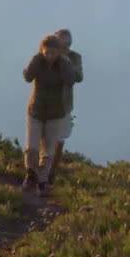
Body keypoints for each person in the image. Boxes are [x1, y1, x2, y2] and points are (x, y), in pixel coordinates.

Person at [22, 34, 76, 196]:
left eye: (53, 53)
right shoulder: (38, 61)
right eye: (47, 53)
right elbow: (27, 77)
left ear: (59, 52)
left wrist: (65, 63)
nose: (50, 56)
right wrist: (35, 60)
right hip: (36, 111)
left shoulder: (63, 64)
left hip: (55, 114)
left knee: (48, 151)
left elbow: (71, 80)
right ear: (42, 51)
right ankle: (31, 175)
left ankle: (43, 181)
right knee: (32, 147)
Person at [49, 28, 83, 184]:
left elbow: (78, 77)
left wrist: (66, 63)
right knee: (45, 138)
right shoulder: (48, 55)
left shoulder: (75, 57)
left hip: (64, 105)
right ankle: (41, 171)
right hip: (46, 103)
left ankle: (51, 172)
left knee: (59, 140)